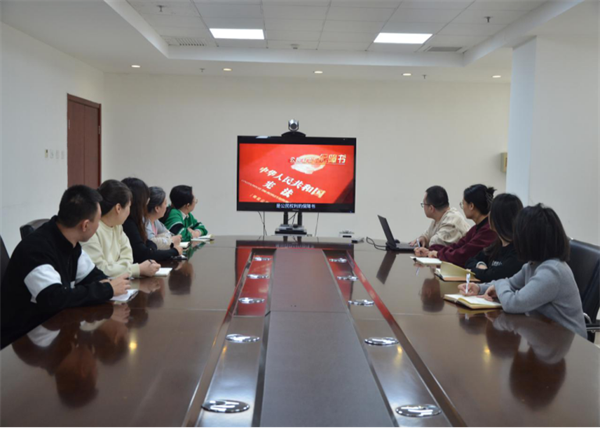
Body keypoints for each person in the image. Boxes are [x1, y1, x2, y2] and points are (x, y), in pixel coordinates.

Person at [0, 185, 130, 344]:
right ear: (85, 225)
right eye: (98, 221)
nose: (98, 227)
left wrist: (107, 284)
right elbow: (54, 298)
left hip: (54, 327)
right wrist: (107, 289)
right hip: (24, 337)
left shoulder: (71, 243)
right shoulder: (35, 249)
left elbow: (93, 276)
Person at [459, 204, 586, 338]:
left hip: (569, 343)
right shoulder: (533, 265)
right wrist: (479, 288)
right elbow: (511, 283)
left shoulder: (551, 272)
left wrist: (500, 284)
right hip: (546, 334)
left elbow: (512, 303)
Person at [82, 180, 160, 278]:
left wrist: (115, 269)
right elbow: (100, 269)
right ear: (118, 208)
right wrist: (136, 269)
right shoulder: (92, 230)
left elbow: (128, 258)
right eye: (129, 206)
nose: (129, 211)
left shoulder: (118, 226)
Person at [422, 184, 498, 267]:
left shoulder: (489, 230)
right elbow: (458, 246)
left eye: (463, 203)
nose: (462, 207)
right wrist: (433, 251)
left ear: (471, 206)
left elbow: (464, 254)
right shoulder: (476, 228)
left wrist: (438, 253)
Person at [464, 194, 524, 282]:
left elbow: (494, 276)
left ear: (499, 218)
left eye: (491, 211)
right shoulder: (496, 245)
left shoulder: (518, 252)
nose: (488, 215)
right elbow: (470, 261)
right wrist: (480, 265)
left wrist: (477, 271)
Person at [121, 178, 181, 263]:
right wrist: (174, 250)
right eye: (146, 199)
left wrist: (154, 244)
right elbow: (144, 253)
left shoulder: (136, 220)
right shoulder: (128, 223)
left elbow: (149, 243)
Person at [410, 185, 470, 249]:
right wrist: (423, 238)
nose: (423, 207)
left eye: (423, 204)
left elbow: (435, 245)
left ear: (431, 208)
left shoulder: (452, 220)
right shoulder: (439, 218)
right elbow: (428, 234)